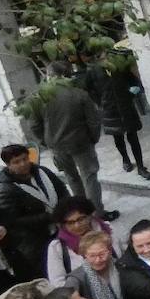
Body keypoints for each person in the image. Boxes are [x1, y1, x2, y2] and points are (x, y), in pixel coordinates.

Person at [29, 61, 116, 221]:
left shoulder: (38, 97)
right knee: (89, 177)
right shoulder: (78, 94)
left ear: (49, 75)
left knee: (72, 177)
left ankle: (81, 212)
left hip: (57, 145)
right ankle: (96, 214)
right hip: (81, 142)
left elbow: (34, 125)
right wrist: (93, 138)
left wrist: (46, 141)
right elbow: (94, 121)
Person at [0, 143, 70, 278]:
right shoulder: (6, 190)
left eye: (24, 159)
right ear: (8, 165)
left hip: (62, 225)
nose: (23, 164)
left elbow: (62, 190)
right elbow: (13, 221)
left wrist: (66, 209)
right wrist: (47, 217)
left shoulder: (43, 172)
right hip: (36, 239)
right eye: (16, 162)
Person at [82, 56, 150, 181]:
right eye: (100, 54)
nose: (103, 56)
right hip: (109, 109)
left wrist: (132, 92)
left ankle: (141, 167)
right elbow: (88, 89)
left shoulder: (119, 65)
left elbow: (134, 81)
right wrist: (99, 102)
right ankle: (125, 159)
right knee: (118, 138)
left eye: (105, 53)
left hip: (126, 106)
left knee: (133, 137)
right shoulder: (93, 71)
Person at [45, 197, 112, 284]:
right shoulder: (57, 247)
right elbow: (57, 282)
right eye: (70, 222)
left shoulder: (108, 231)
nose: (77, 225)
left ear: (90, 216)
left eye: (81, 219)